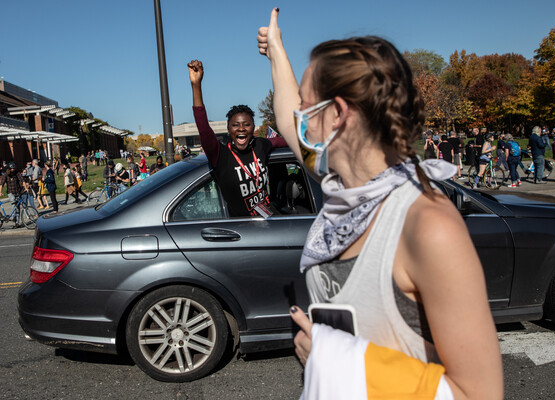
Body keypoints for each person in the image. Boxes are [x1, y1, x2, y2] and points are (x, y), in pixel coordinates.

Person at [258, 9, 502, 399]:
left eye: (306, 106)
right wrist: (276, 52)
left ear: (337, 113)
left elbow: (479, 394)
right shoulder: (339, 184)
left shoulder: (428, 225)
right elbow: (290, 127)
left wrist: (330, 359)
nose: (297, 116)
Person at [187, 59, 288, 217]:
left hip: (271, 222)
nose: (241, 129)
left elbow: (282, 141)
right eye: (235, 125)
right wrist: (196, 86)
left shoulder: (260, 145)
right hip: (243, 232)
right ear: (228, 129)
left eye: (246, 124)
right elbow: (204, 130)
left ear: (253, 128)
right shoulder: (221, 156)